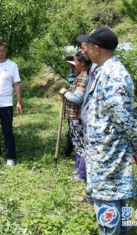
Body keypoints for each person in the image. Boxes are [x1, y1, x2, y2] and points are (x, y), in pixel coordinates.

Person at [78, 27, 137, 235]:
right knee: (114, 201)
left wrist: (136, 140)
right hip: (104, 152)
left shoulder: (113, 74)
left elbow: (122, 118)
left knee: (108, 204)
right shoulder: (105, 70)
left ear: (97, 49)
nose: (85, 50)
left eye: (88, 46)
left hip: (109, 154)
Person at [59, 50, 90, 181]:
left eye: (76, 61)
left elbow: (78, 98)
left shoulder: (83, 76)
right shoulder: (80, 74)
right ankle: (78, 170)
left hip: (77, 117)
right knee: (77, 144)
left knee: (80, 144)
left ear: (82, 63)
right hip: (73, 117)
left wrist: (65, 92)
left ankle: (82, 174)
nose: (74, 64)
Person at [62, 55, 76, 157]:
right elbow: (70, 86)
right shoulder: (71, 72)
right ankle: (67, 150)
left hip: (76, 106)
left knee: (73, 129)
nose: (70, 66)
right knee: (71, 128)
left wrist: (66, 93)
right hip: (70, 104)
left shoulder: (80, 74)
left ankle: (67, 151)